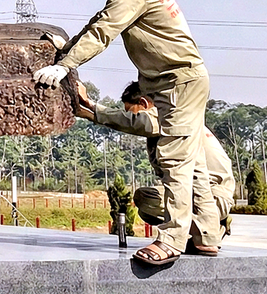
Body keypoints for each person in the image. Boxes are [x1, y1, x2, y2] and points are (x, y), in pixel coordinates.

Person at [32, 0, 219, 265]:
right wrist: (68, 48)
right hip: (178, 80)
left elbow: (105, 31)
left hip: (177, 83)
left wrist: (64, 66)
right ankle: (206, 237)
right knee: (195, 168)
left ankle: (172, 241)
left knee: (174, 159)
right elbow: (100, 21)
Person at [76, 81, 234, 245]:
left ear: (144, 104)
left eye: (131, 112)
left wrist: (91, 107)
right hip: (210, 194)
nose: (131, 117)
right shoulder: (182, 117)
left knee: (146, 200)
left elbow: (136, 123)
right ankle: (204, 228)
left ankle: (210, 225)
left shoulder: (166, 115)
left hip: (211, 196)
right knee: (149, 202)